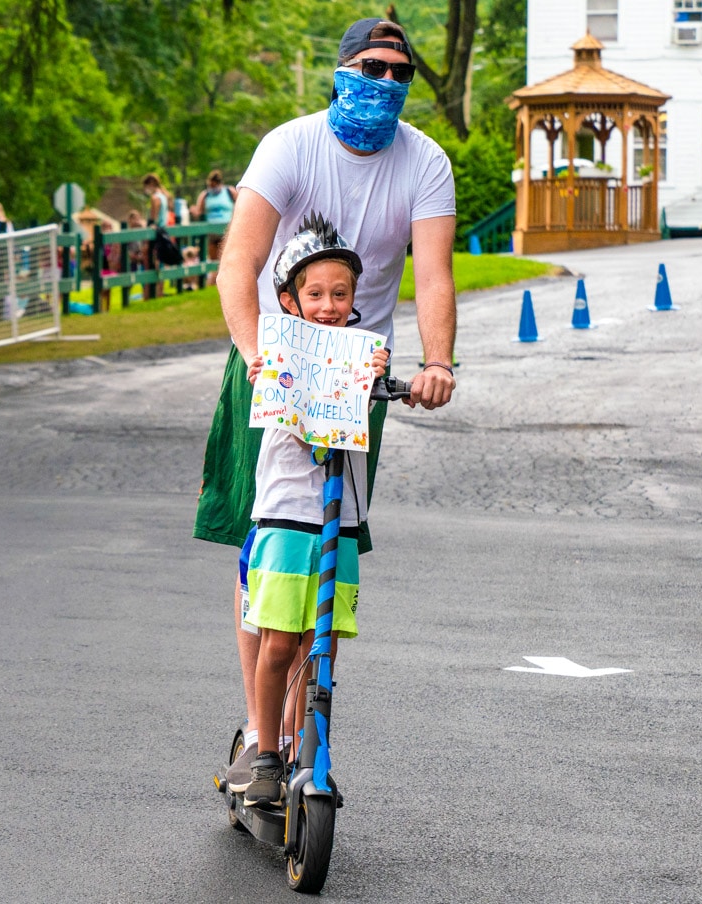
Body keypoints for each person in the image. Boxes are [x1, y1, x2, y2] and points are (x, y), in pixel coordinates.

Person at [197, 17, 457, 792]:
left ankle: (305, 729)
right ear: (341, 71)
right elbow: (237, 264)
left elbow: (434, 276)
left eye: (399, 73)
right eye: (370, 67)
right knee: (269, 543)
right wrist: (258, 361)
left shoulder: (426, 161)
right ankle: (259, 731)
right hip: (274, 357)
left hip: (355, 371)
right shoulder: (290, 145)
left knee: (331, 549)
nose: (384, 83)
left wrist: (437, 362)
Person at [232, 213, 389, 808]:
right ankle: (266, 752)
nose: (328, 305)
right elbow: (277, 394)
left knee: (319, 648)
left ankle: (307, 751)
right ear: (289, 301)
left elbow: (370, 399)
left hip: (338, 522)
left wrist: (384, 378)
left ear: (354, 298)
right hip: (287, 515)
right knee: (278, 643)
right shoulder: (276, 351)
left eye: (340, 294)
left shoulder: (364, 353)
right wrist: (263, 371)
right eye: (315, 294)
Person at [193, 169, 237, 261]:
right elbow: (199, 211)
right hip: (212, 233)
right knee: (213, 260)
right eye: (210, 185)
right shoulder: (205, 195)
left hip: (226, 230)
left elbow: (240, 205)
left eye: (213, 185)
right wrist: (193, 211)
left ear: (219, 183)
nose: (212, 187)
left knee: (225, 258)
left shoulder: (229, 191)